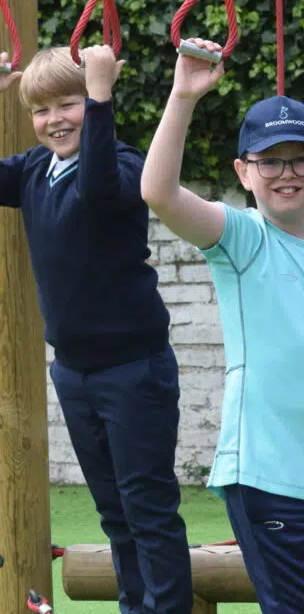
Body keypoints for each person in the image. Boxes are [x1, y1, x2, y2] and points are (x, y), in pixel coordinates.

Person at [140, 39, 304, 614]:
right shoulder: (242, 238)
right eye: (270, 160)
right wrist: (182, 94)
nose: (287, 172)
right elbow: (158, 191)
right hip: (268, 476)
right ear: (244, 172)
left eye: (301, 157)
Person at [0, 46, 193, 613]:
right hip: (75, 373)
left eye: (70, 103)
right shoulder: (36, 171)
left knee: (147, 507)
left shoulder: (126, 165)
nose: (55, 119)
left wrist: (101, 95)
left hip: (134, 370)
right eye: (41, 109)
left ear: (96, 102)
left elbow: (99, 190)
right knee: (113, 508)